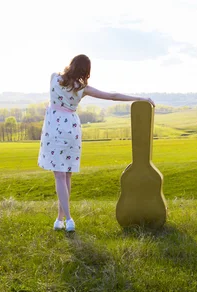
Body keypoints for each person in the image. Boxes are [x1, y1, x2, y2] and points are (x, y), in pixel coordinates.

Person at [38, 54, 155, 232]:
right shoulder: (82, 88)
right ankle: (59, 219)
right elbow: (112, 96)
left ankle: (68, 219)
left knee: (60, 175)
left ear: (71, 65)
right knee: (67, 174)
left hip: (54, 127)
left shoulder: (54, 77)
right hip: (71, 127)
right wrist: (141, 98)